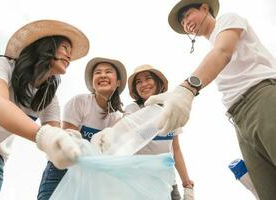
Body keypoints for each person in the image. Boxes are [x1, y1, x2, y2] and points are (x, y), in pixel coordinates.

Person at [145, 0, 276, 199]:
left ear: (205, 8)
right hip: (239, 118)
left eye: (187, 14)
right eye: (182, 21)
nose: (185, 22)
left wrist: (187, 89)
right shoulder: (211, 50)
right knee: (267, 190)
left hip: (262, 98)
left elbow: (222, 52)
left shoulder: (228, 19)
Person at [0, 19, 89, 200]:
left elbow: (56, 138)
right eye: (65, 48)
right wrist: (45, 136)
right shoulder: (0, 65)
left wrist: (79, 145)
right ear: (46, 46)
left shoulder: (48, 97)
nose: (69, 56)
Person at [37, 57, 127, 200]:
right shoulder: (80, 102)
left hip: (91, 175)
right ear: (93, 82)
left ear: (118, 83)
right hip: (62, 169)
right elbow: (67, 140)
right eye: (98, 73)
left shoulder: (117, 118)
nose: (102, 75)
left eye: (108, 72)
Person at [125, 64, 194, 200]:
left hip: (168, 182)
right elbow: (130, 135)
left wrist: (187, 183)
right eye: (138, 82)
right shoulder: (133, 109)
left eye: (148, 78)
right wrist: (153, 116)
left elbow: (176, 150)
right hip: (141, 182)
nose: (143, 84)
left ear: (158, 82)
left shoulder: (170, 110)